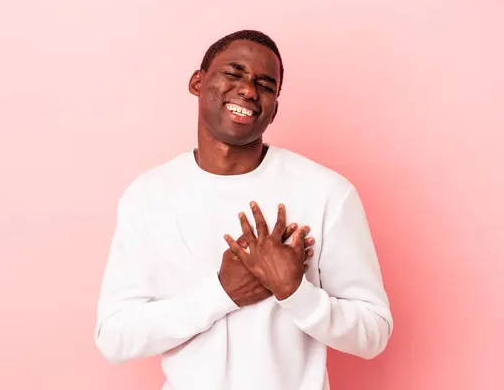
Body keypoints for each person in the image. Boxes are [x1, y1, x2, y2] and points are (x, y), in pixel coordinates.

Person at [94, 29, 393, 390]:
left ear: (274, 109)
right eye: (233, 74)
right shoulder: (148, 196)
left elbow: (373, 333)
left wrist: (295, 292)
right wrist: (221, 293)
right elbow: (114, 336)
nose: (249, 90)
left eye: (265, 85)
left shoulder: (326, 192)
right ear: (197, 82)